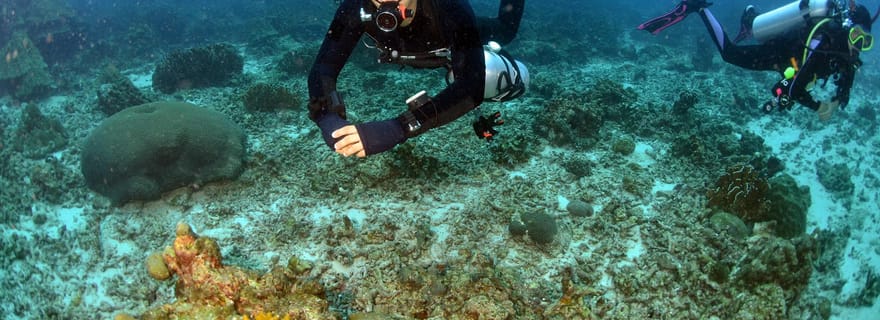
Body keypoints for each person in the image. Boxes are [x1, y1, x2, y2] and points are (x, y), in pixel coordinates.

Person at [308, 0, 528, 158]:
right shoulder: (354, 7)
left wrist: (398, 127)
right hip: (416, 49)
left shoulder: (451, 8)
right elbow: (323, 68)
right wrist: (328, 118)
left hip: (451, 38)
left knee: (503, 38)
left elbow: (472, 86)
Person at [639, 0, 877, 121]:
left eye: (865, 42)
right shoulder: (824, 41)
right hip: (778, 54)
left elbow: (845, 87)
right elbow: (795, 89)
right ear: (846, 29)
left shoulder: (848, 56)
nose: (858, 46)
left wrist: (837, 101)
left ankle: (751, 17)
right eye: (856, 37)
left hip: (790, 63)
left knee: (758, 38)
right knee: (729, 54)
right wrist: (819, 107)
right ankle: (698, 7)